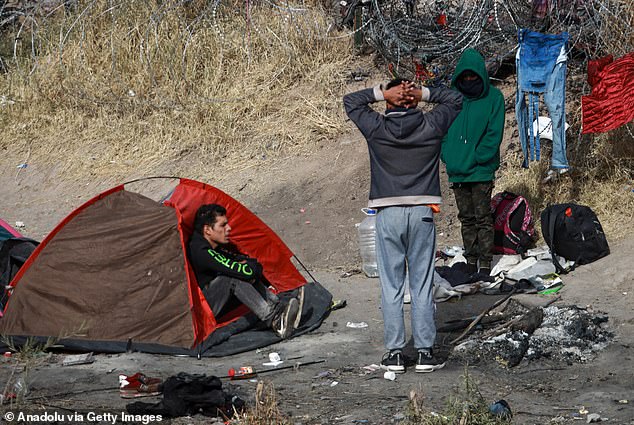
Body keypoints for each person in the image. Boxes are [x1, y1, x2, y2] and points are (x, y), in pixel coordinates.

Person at [343, 78, 463, 373]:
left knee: (391, 285)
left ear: (388, 101)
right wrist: (422, 93)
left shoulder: (377, 127)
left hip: (387, 212)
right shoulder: (432, 124)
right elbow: (455, 99)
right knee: (421, 284)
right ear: (414, 101)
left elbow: (350, 102)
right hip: (422, 211)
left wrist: (381, 92)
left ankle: (395, 354)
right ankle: (424, 353)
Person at [187, 204, 299, 339]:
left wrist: (251, 268)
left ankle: (278, 307)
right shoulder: (201, 251)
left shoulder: (214, 247)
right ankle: (275, 320)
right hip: (204, 310)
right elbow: (241, 270)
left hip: (218, 299)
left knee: (240, 272)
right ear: (208, 230)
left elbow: (245, 262)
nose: (228, 229)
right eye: (223, 225)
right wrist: (250, 270)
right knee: (232, 277)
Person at [441, 48, 505, 276]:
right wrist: (447, 154)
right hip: (458, 170)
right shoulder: (452, 99)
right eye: (465, 77)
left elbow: (494, 133)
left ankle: (485, 263)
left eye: (473, 77)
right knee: (466, 219)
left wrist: (480, 157)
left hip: (480, 171)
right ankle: (471, 262)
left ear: (480, 75)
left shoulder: (494, 98)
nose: (469, 81)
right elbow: (443, 130)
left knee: (482, 218)